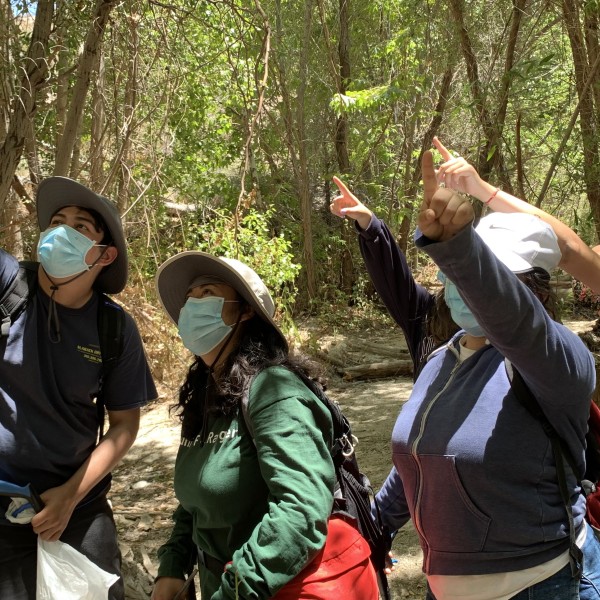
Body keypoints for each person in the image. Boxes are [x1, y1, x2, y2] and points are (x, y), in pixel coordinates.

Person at [374, 150, 600, 600]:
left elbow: (515, 323)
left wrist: (459, 246)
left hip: (541, 585)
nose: (459, 283)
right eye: (455, 274)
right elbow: (417, 461)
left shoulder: (557, 357)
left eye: (482, 273)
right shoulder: (442, 360)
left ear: (529, 287)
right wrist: (370, 527)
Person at [151, 252, 379, 600]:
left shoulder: (275, 393)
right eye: (189, 298)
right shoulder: (206, 395)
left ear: (244, 311)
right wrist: (173, 564)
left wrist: (235, 589)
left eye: (208, 293)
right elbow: (199, 498)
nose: (193, 305)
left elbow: (300, 511)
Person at [0, 176, 157, 600]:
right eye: (55, 221)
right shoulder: (9, 285)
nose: (61, 232)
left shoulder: (113, 328)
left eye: (80, 227)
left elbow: (124, 425)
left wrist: (71, 495)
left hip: (78, 510)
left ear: (104, 255)